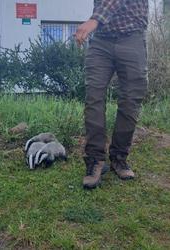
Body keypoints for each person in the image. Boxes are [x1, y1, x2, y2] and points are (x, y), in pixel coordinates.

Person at [75, 0, 149, 189]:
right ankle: (95, 160)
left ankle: (119, 157)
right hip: (101, 41)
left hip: (131, 37)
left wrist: (95, 19)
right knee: (93, 98)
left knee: (130, 101)